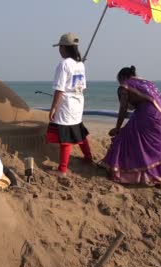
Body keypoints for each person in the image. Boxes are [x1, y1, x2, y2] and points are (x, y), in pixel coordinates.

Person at [100, 66, 161, 185]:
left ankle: (121, 172)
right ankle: (157, 177)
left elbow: (123, 108)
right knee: (147, 145)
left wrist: (117, 128)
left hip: (147, 115)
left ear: (122, 78)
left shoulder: (126, 85)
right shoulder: (147, 84)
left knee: (125, 138)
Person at [46, 32, 93, 177]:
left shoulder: (64, 64)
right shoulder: (80, 64)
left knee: (65, 136)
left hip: (66, 104)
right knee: (78, 130)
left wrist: (53, 107)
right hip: (78, 102)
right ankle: (88, 157)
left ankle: (62, 169)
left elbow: (60, 89)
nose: (59, 50)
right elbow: (81, 86)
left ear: (65, 48)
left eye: (60, 47)